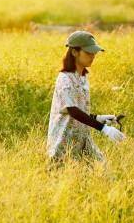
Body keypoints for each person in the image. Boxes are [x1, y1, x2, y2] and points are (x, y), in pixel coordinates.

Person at [46, 30, 127, 166]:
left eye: (94, 53)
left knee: (104, 172)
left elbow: (78, 111)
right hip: (64, 142)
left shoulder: (83, 78)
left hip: (83, 140)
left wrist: (99, 118)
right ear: (74, 52)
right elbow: (72, 110)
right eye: (88, 53)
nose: (93, 56)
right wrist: (103, 129)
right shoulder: (65, 79)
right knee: (62, 179)